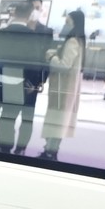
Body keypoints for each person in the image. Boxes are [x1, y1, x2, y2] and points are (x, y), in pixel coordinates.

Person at [0, 2, 45, 155]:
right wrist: (32, 82)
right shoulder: (32, 37)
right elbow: (35, 62)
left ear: (14, 14)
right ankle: (4, 147)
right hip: (17, 81)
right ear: (29, 16)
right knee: (9, 117)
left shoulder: (1, 33)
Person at [40, 9, 86, 161]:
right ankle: (50, 149)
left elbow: (64, 65)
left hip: (63, 87)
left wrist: (52, 57)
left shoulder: (72, 41)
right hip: (67, 87)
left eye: (67, 22)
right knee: (60, 120)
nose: (65, 25)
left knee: (57, 119)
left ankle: (50, 150)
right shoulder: (79, 41)